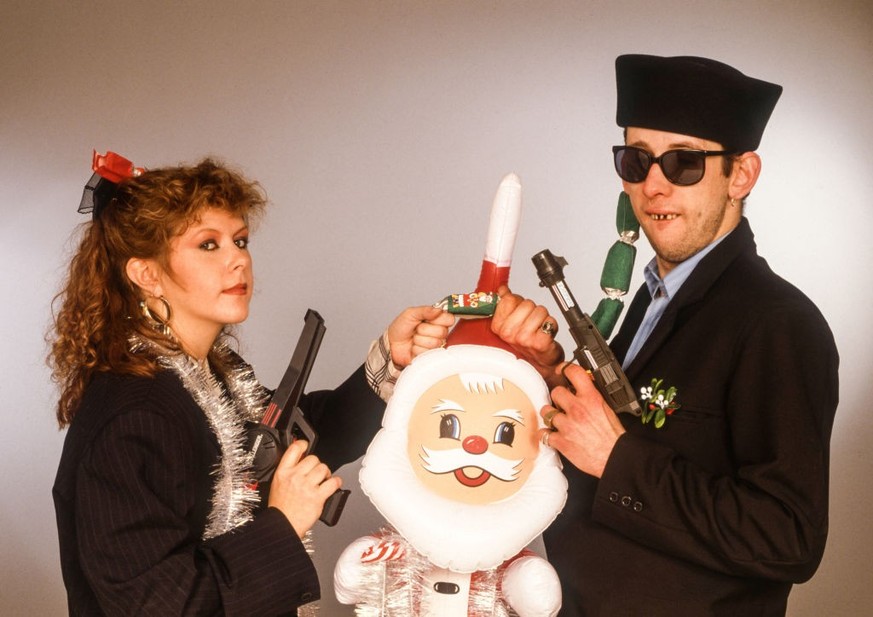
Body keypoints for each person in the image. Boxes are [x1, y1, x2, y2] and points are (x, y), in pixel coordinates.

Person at [492, 55, 840, 615]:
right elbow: (617, 430)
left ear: (741, 176)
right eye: (637, 160)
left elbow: (788, 538)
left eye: (684, 163)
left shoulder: (779, 323)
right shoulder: (652, 298)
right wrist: (552, 372)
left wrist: (617, 459)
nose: (654, 186)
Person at [49, 152, 456, 616]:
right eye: (208, 245)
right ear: (147, 274)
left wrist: (390, 360)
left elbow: (284, 445)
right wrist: (282, 522)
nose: (238, 260)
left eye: (239, 240)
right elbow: (159, 603)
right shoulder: (137, 412)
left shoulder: (212, 370)